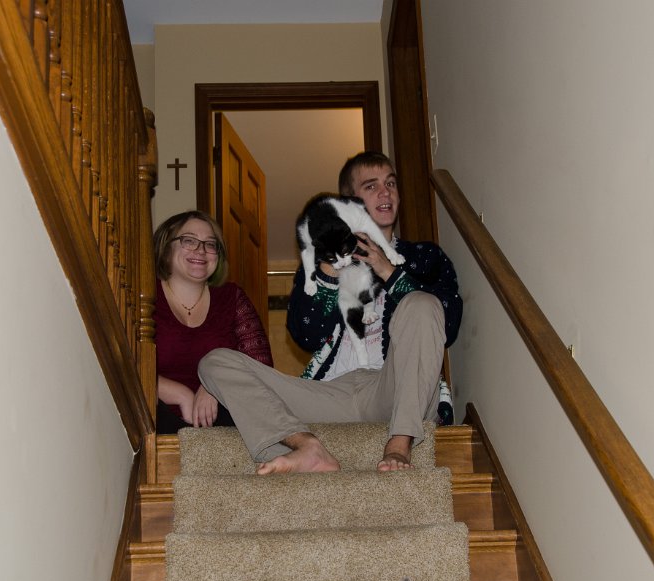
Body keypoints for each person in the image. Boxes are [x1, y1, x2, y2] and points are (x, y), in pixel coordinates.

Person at [198, 151, 461, 472]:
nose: (385, 192)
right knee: (214, 363)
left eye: (391, 184)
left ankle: (400, 442)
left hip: (396, 388)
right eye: (372, 186)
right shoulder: (324, 261)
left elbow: (447, 321)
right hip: (332, 393)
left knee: (421, 303)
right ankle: (307, 447)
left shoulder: (424, 257)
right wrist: (331, 267)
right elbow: (304, 333)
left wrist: (388, 271)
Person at [153, 211, 273, 434]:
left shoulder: (232, 297)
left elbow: (261, 366)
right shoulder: (145, 299)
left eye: (210, 244)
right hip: (158, 415)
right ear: (166, 247)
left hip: (226, 414)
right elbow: (127, 368)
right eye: (189, 241)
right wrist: (179, 393)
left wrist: (214, 385)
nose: (201, 250)